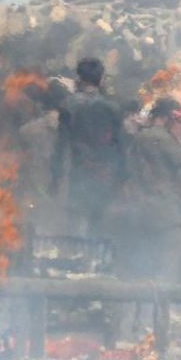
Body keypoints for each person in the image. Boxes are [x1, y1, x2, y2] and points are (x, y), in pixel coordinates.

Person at [51, 58, 125, 238]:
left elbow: (62, 144)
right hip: (105, 172)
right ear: (101, 79)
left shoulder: (68, 105)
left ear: (78, 78)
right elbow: (120, 145)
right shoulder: (112, 107)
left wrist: (56, 175)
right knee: (98, 223)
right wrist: (123, 176)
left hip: (79, 170)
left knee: (76, 222)